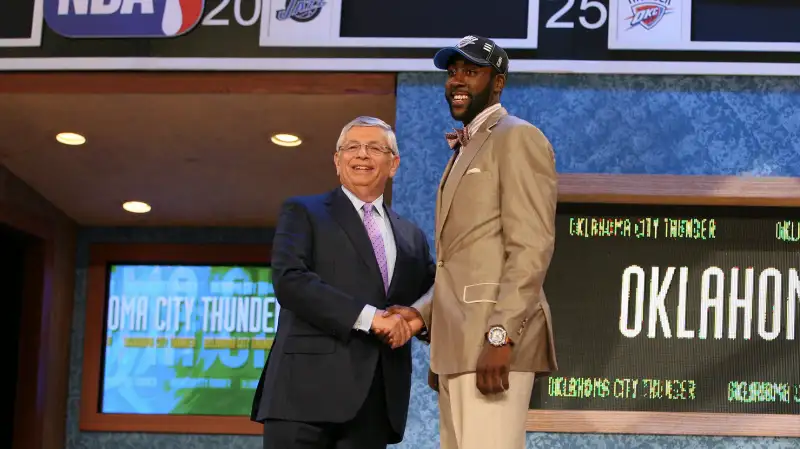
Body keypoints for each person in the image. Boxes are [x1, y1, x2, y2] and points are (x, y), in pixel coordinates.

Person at [386, 35, 559, 449]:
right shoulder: (464, 149)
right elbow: (463, 260)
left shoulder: (517, 137)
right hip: (456, 347)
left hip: (491, 342)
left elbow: (531, 246)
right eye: (452, 72)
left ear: (497, 83)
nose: (457, 80)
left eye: (471, 71)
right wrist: (419, 315)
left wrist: (501, 337)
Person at [250, 116, 436, 449]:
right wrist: (371, 317)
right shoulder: (303, 212)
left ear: (393, 164)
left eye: (375, 148)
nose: (362, 155)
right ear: (337, 161)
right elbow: (290, 280)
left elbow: (435, 293)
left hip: (376, 403)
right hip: (302, 399)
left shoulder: (412, 237)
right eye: (352, 147)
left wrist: (416, 320)